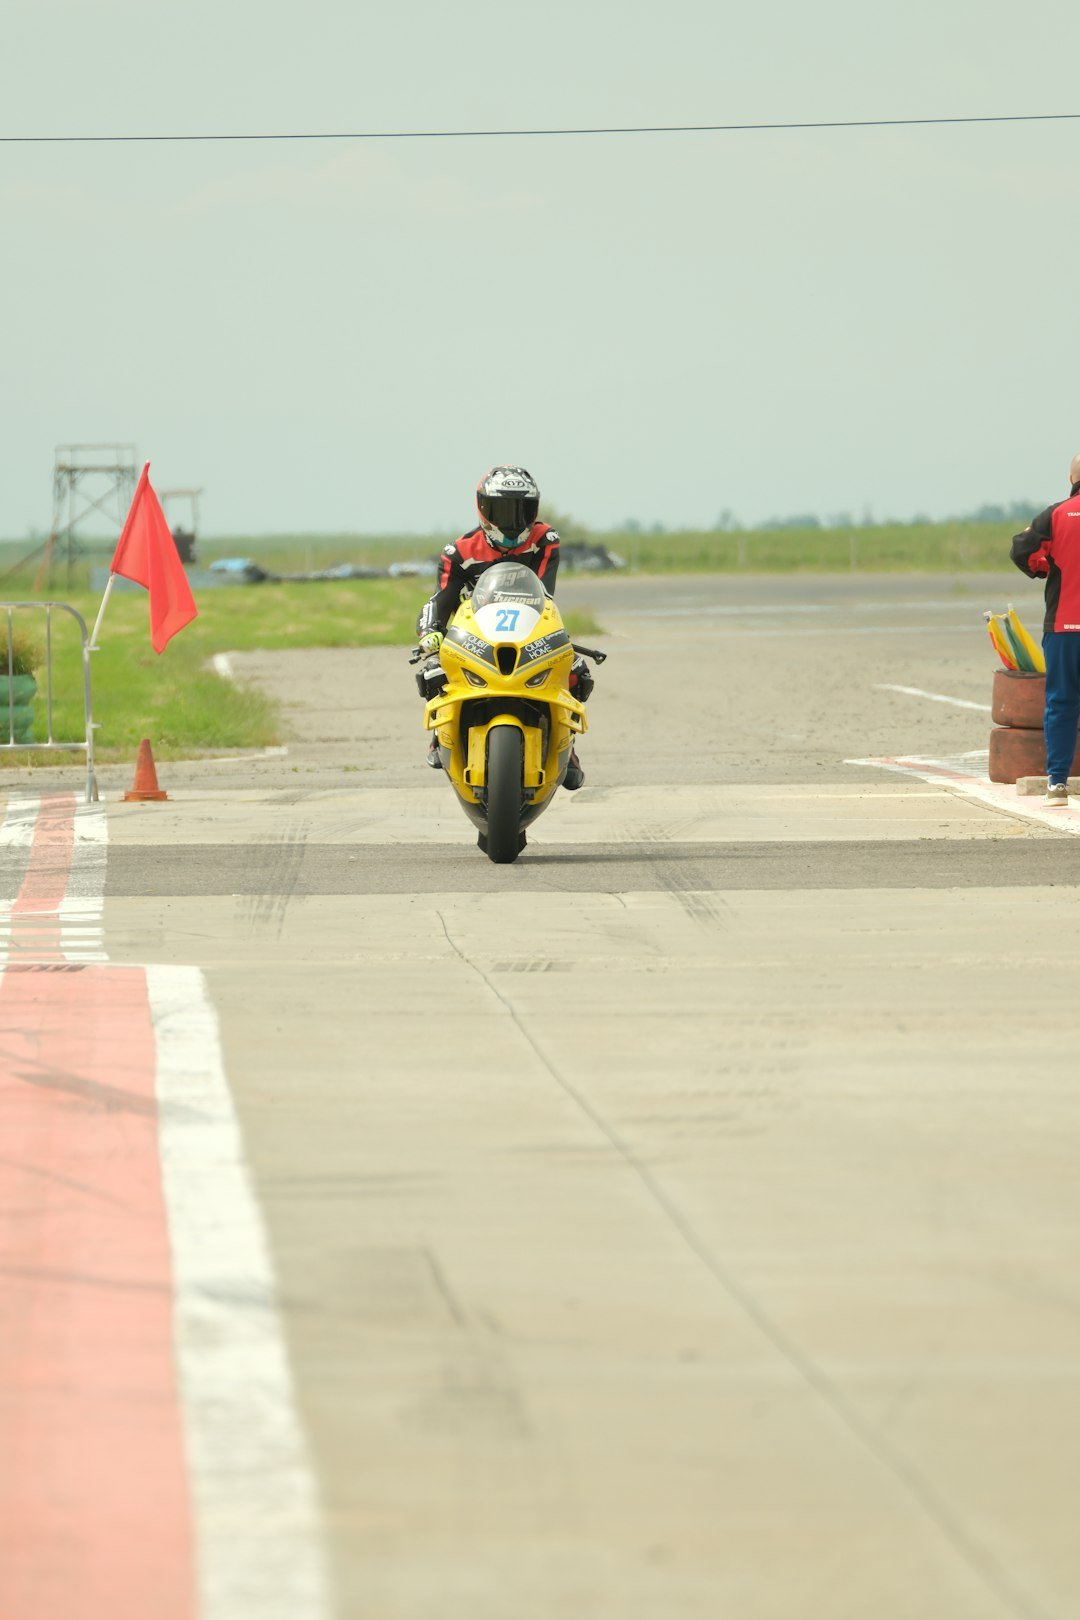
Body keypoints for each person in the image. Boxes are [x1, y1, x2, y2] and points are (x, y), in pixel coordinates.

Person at [415, 466, 592, 788]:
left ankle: (567, 746)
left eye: (521, 511)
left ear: (534, 511)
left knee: (576, 672)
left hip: (531, 625)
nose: (512, 521)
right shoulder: (459, 552)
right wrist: (431, 632)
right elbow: (442, 599)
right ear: (483, 509)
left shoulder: (544, 540)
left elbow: (545, 593)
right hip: (477, 630)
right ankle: (442, 736)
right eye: (501, 510)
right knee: (433, 670)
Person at [1010, 450, 1080, 803]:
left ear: (1071, 479)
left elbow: (1021, 548)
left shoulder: (1055, 515)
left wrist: (1042, 566)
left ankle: (1057, 784)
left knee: (1061, 703)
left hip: (1065, 627)